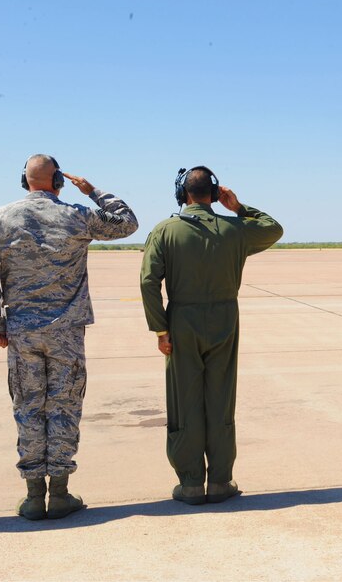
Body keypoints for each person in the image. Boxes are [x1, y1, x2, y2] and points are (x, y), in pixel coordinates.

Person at [0, 154, 139, 520]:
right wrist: (94, 190)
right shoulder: (76, 215)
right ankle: (60, 493)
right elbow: (127, 222)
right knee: (63, 408)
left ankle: (34, 497)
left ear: (25, 180)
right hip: (65, 332)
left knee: (29, 408)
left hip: (22, 333)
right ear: (58, 180)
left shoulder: (1, 218)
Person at [139, 166, 282, 505]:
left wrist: (160, 328)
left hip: (182, 321)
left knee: (185, 400)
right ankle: (220, 481)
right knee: (220, 400)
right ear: (214, 193)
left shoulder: (166, 229)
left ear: (183, 194)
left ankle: (190, 483)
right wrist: (237, 206)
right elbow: (273, 229)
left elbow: (148, 282)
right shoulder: (234, 229)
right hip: (224, 319)